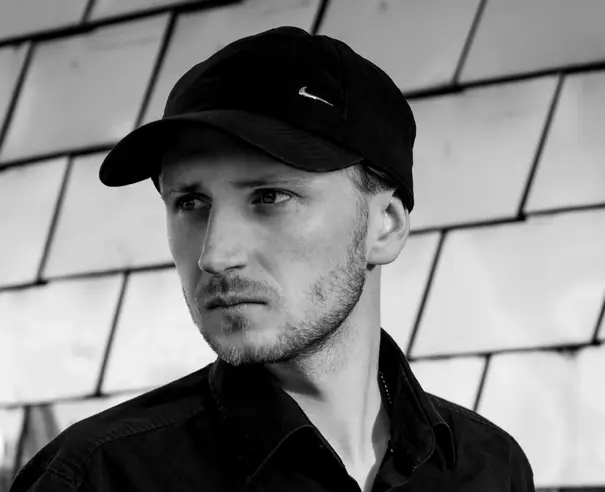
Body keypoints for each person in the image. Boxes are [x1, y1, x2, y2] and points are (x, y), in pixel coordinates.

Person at [10, 26, 535, 491]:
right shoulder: (96, 478)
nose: (215, 255)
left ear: (386, 225)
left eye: (269, 197)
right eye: (189, 203)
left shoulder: (490, 467)